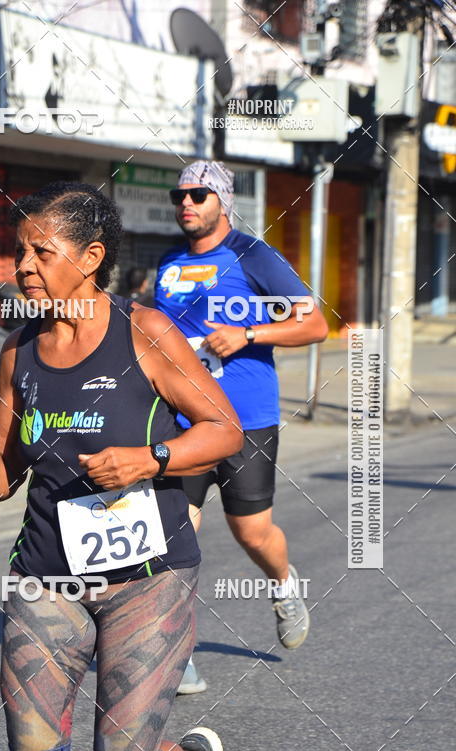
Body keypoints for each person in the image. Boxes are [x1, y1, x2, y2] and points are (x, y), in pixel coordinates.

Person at [0, 181, 242, 751]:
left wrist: (151, 460)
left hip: (148, 578)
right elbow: (2, 475)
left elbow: (224, 430)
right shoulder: (18, 353)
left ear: (89, 258)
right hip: (45, 576)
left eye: (40, 251)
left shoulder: (144, 333)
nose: (23, 266)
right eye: (19, 251)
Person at [154, 161, 329, 695]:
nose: (186, 203)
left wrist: (248, 333)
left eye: (198, 195)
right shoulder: (168, 262)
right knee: (173, 536)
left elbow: (314, 323)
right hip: (183, 419)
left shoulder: (254, 255)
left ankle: (284, 585)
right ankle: (176, 655)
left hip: (247, 419)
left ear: (223, 201)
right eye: (179, 196)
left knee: (252, 532)